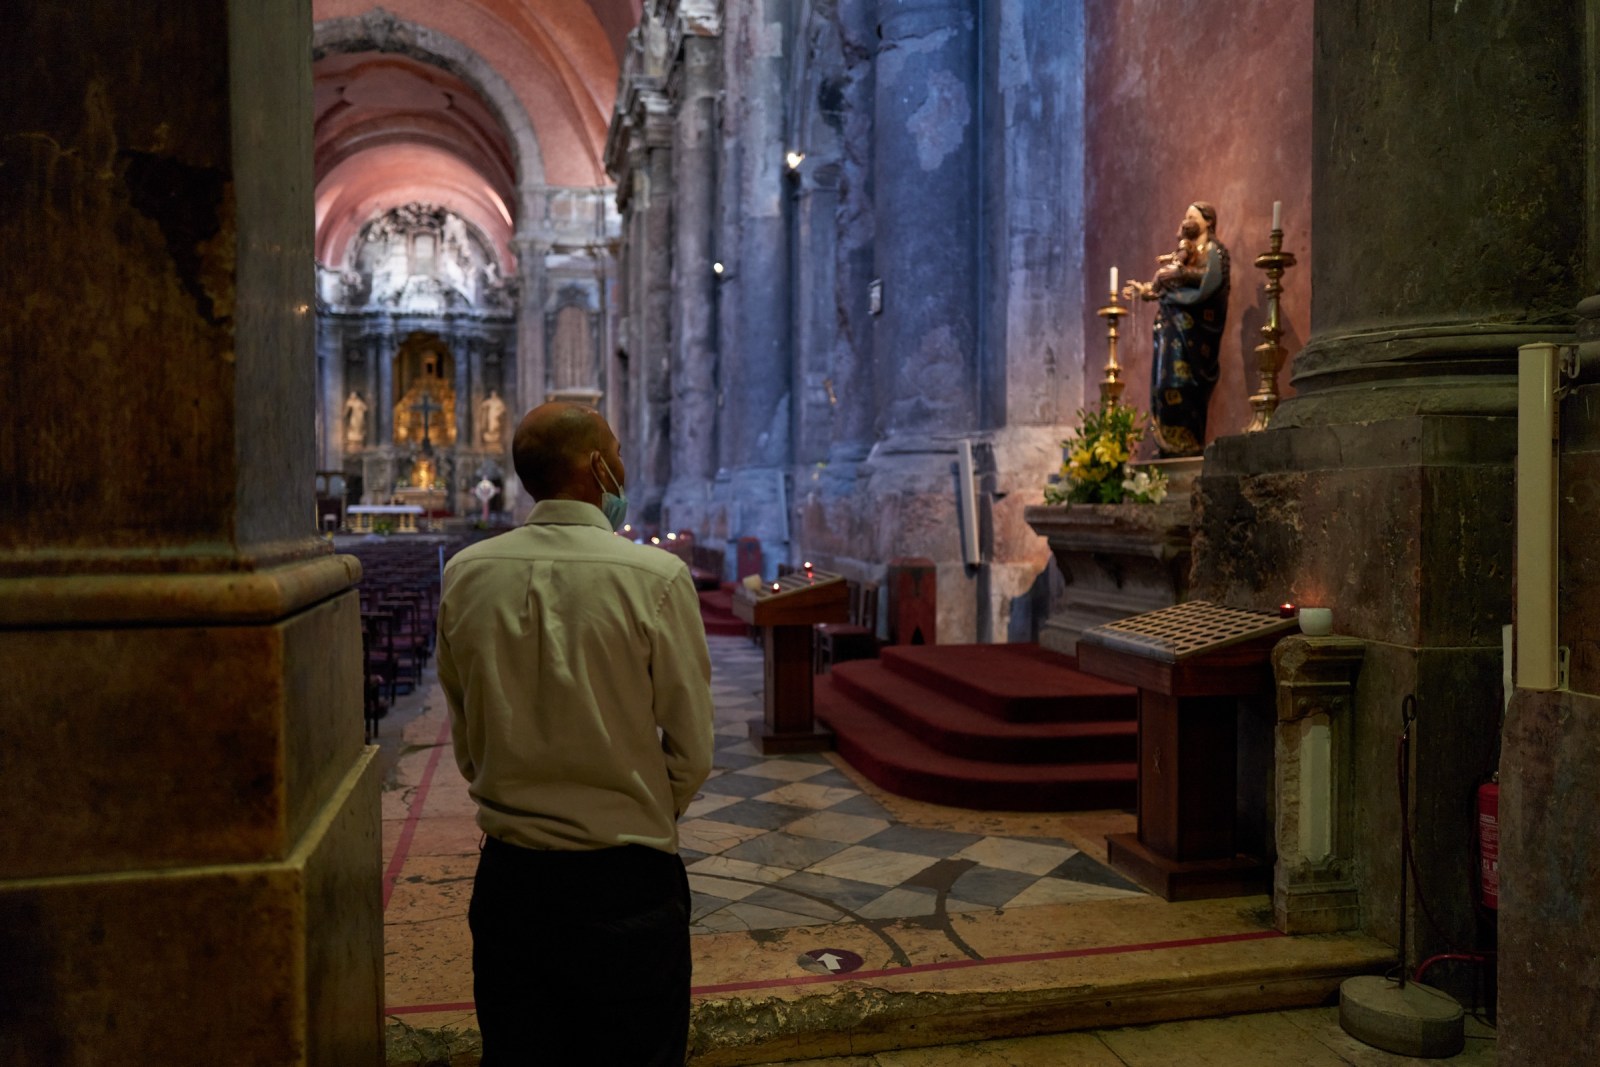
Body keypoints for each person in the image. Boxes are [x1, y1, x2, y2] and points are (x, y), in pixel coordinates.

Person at [436, 401, 715, 1066]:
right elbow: (693, 748)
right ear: (596, 465)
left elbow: (468, 739)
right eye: (616, 450)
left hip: (513, 878)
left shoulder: (466, 573)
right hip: (628, 881)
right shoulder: (657, 578)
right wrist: (636, 801)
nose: (623, 463)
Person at [1123, 201, 1231, 456]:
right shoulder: (1184, 251)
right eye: (1185, 215)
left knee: (1186, 384)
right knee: (1165, 382)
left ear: (1208, 221)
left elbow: (1211, 284)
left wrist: (1180, 277)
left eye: (1193, 215)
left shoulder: (1215, 251)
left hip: (1195, 332)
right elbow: (1166, 284)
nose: (1187, 219)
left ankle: (1188, 443)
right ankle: (1169, 445)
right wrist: (1147, 292)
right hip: (1171, 326)